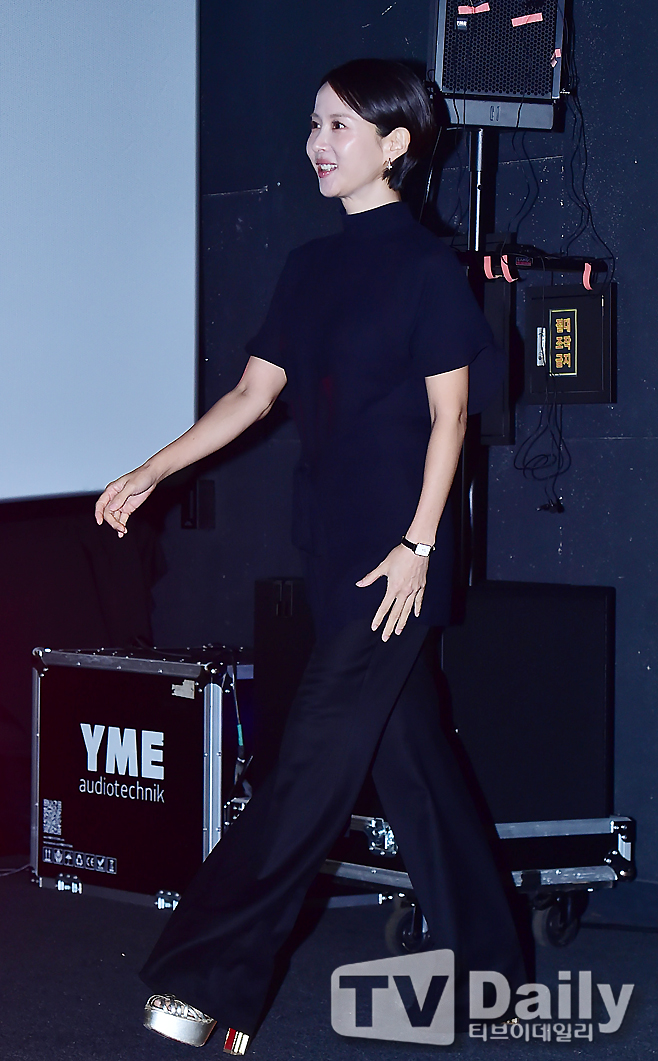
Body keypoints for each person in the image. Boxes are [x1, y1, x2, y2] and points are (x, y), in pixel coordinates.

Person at [95, 58, 526, 1054]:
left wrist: (419, 545)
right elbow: (253, 396)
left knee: (303, 773)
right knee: (413, 767)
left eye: (339, 127)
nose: (317, 144)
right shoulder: (310, 266)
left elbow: (451, 418)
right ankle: (492, 974)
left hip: (396, 559)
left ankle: (204, 982)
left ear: (395, 144)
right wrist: (153, 469)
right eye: (314, 124)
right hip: (333, 547)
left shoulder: (426, 268)